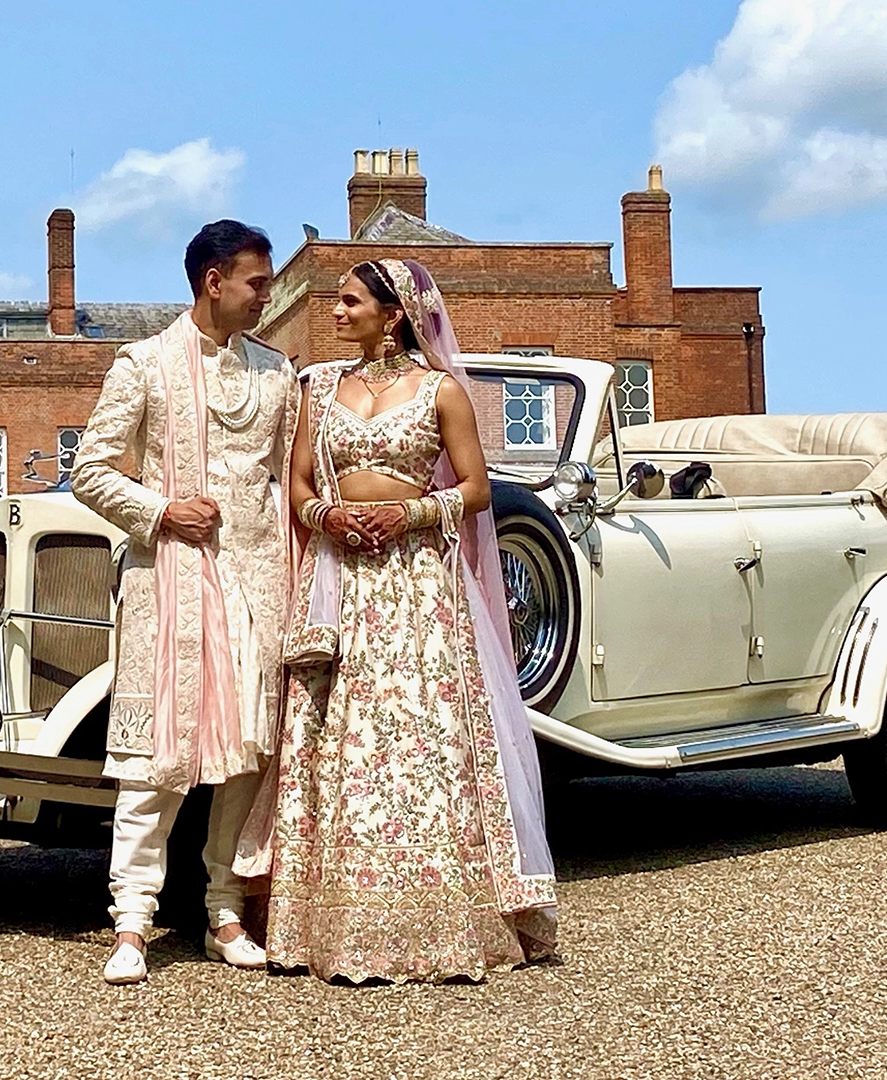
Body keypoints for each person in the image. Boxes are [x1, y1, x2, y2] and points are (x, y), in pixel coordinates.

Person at [238, 257, 559, 983]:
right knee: (339, 735)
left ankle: (446, 919)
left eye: (351, 302)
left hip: (417, 583)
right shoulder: (318, 386)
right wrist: (330, 516)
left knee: (422, 733)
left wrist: (407, 514)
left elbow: (476, 489)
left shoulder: (441, 390)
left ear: (393, 313)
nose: (338, 313)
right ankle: (331, 923)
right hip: (340, 578)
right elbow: (297, 482)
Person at [70, 220, 299, 986]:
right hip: (171, 577)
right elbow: (91, 472)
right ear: (214, 281)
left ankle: (224, 908)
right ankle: (132, 921)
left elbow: (293, 479)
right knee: (157, 759)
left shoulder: (277, 373)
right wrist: (163, 510)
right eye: (258, 282)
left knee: (248, 754)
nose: (268, 294)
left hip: (260, 579)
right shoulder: (143, 365)